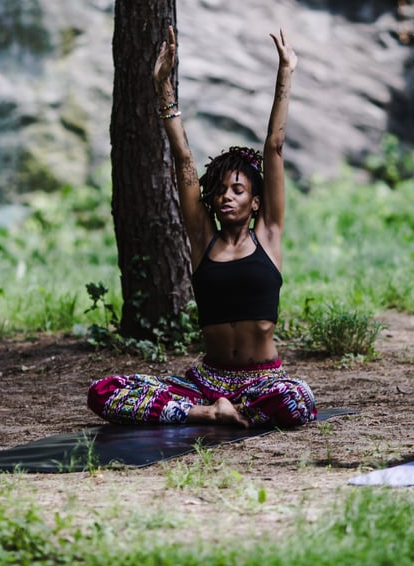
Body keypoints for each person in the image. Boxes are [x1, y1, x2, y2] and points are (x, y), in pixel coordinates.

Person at [87, 25, 317, 429]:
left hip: (262, 381)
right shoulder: (203, 240)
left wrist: (286, 73)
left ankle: (235, 412)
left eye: (238, 190)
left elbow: (274, 148)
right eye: (221, 190)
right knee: (104, 391)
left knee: (298, 400)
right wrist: (163, 88)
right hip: (208, 382)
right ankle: (211, 413)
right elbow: (184, 161)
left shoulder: (269, 234)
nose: (227, 196)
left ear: (256, 201)